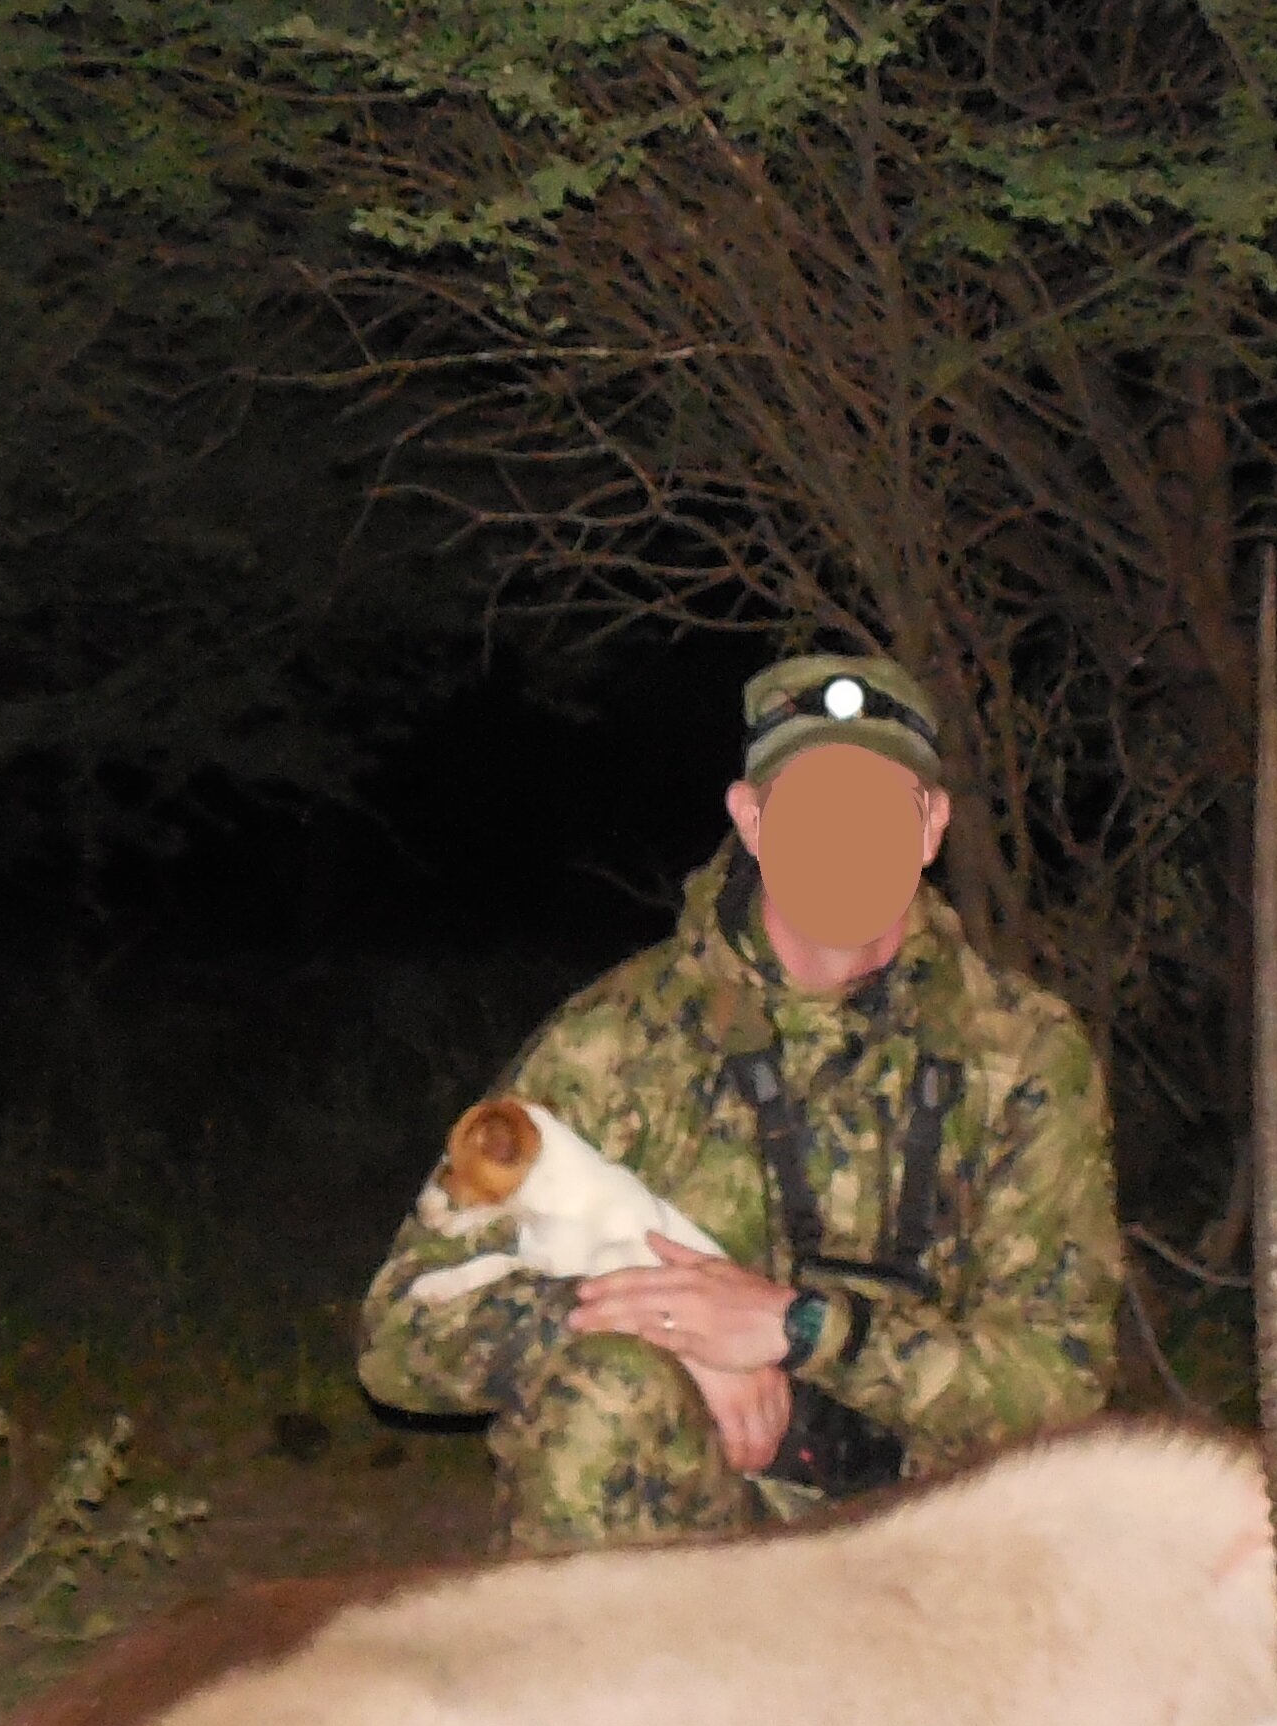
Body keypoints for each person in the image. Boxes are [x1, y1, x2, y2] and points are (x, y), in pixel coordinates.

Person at [361, 652, 1124, 1550]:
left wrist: (796, 1331)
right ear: (752, 820)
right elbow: (403, 1331)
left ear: (931, 827)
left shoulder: (1024, 1052)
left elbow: (1061, 1385)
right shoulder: (620, 1039)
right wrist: (665, 1334)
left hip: (935, 1543)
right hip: (700, 1535)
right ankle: (611, 1685)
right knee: (609, 1392)